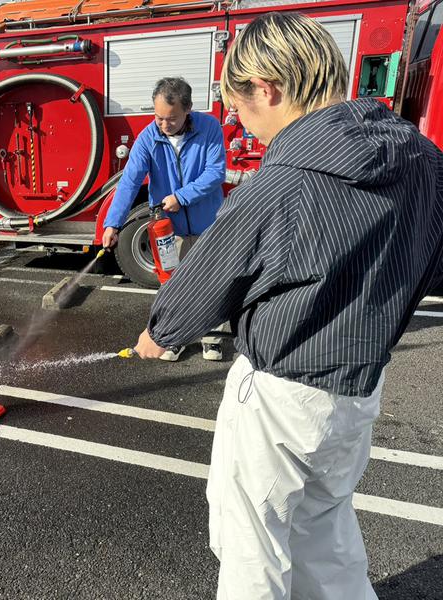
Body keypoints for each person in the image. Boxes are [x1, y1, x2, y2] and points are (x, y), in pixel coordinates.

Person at [133, 12, 443, 600]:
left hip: (281, 395)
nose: (242, 124)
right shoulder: (423, 161)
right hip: (358, 390)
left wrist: (160, 332)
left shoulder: (281, 182)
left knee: (252, 546)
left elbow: (205, 280)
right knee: (325, 533)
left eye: (240, 107)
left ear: (267, 88)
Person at [101, 76, 227, 362]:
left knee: (211, 283)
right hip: (170, 229)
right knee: (173, 285)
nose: (164, 125)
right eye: (158, 117)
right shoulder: (148, 137)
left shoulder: (209, 128)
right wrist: (113, 223)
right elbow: (130, 181)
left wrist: (181, 197)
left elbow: (215, 173)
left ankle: (212, 339)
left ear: (188, 110)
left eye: (171, 119)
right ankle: (175, 338)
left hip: (209, 224)